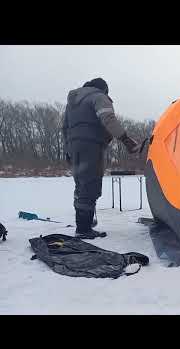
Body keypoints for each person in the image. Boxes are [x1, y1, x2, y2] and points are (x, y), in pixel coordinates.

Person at [62, 78, 140, 239]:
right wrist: (125, 139)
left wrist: (67, 149)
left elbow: (65, 127)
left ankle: (84, 223)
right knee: (90, 185)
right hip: (91, 146)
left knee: (81, 185)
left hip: (74, 147)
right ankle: (83, 229)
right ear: (104, 89)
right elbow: (108, 119)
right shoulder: (98, 96)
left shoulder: (72, 103)